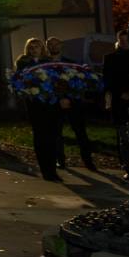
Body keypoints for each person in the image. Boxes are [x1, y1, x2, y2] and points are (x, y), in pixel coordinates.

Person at [45, 37, 96, 171]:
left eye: (56, 44)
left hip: (73, 103)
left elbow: (77, 84)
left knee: (80, 132)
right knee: (56, 134)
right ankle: (60, 160)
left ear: (61, 45)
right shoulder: (44, 65)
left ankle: (88, 161)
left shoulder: (72, 64)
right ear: (47, 47)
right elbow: (45, 85)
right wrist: (59, 98)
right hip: (54, 103)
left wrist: (68, 98)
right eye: (50, 44)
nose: (53, 46)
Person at [16, 37, 61, 181]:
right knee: (40, 136)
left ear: (42, 48)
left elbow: (56, 80)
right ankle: (45, 170)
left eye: (37, 46)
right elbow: (19, 81)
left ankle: (53, 170)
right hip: (34, 104)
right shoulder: (23, 63)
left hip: (50, 104)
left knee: (52, 136)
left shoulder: (49, 62)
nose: (34, 49)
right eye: (31, 47)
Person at [102, 29, 129, 181]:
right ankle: (128, 167)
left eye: (127, 40)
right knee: (124, 136)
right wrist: (120, 93)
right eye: (122, 40)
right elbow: (108, 81)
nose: (124, 43)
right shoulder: (110, 58)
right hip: (120, 101)